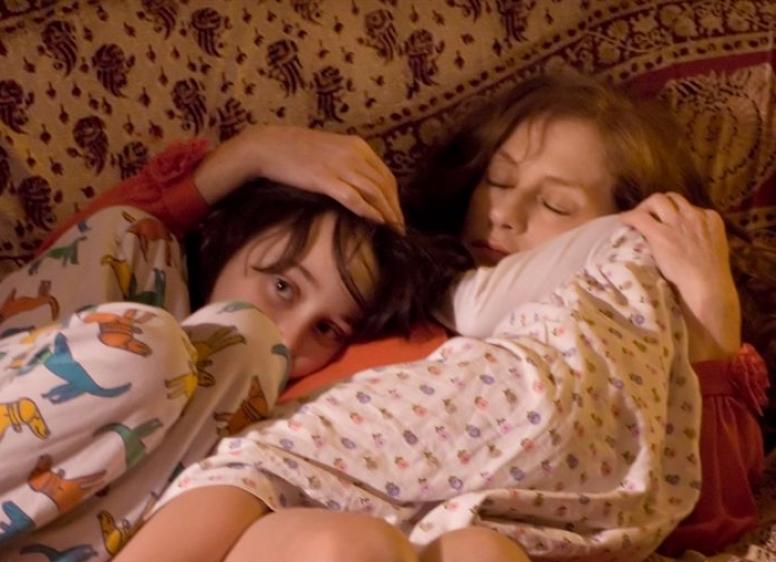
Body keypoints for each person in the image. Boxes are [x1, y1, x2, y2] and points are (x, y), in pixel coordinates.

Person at [13, 74, 770, 561]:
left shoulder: (595, 353)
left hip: (466, 529)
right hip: (277, 518)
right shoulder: (380, 284)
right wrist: (250, 156)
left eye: (556, 204)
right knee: (347, 548)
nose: (504, 215)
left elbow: (703, 517)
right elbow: (74, 287)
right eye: (497, 180)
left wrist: (710, 314)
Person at [0, 173, 467, 559]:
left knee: (247, 346)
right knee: (134, 247)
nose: (289, 337)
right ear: (232, 239)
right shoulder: (137, 248)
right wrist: (248, 157)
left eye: (326, 329)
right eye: (283, 286)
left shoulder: (273, 411)